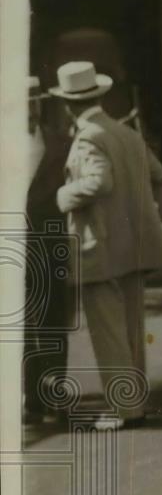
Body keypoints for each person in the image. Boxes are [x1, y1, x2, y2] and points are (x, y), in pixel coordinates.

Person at [51, 61, 162, 430]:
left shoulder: (87, 137)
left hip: (98, 248)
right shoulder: (126, 133)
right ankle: (136, 404)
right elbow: (159, 175)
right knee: (132, 330)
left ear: (68, 103)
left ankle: (124, 410)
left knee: (108, 331)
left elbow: (99, 182)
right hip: (133, 246)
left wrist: (61, 196)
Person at [23, 76, 73, 426]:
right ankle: (29, 399)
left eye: (32, 101)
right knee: (21, 324)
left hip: (52, 243)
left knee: (54, 320)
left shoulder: (62, 143)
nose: (27, 107)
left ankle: (52, 395)